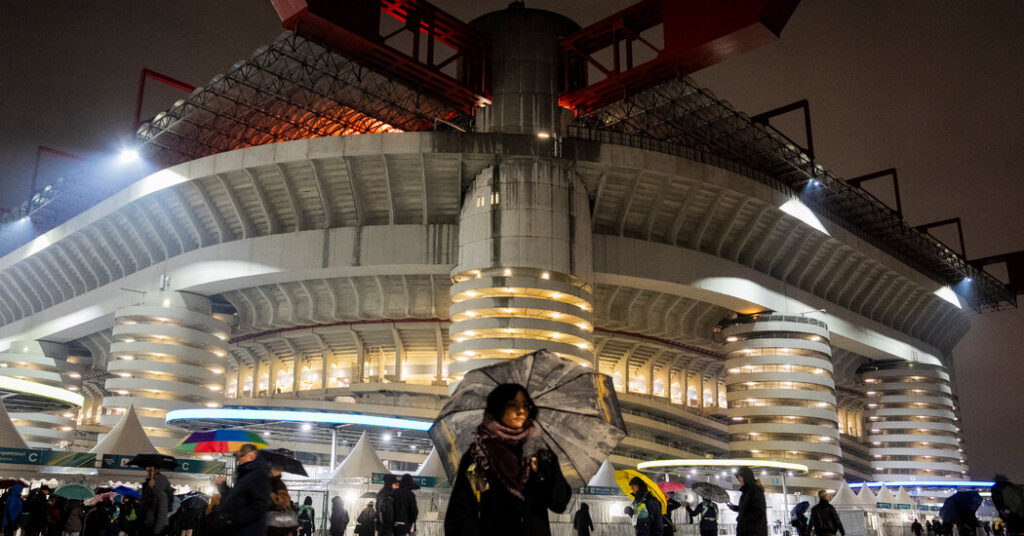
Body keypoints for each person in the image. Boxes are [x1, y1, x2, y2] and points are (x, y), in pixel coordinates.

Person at [445, 383, 572, 536]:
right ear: (498, 408)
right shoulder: (480, 457)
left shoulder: (541, 453)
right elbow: (466, 508)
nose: (521, 411)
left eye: (526, 405)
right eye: (513, 405)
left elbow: (559, 503)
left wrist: (542, 472)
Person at [216, 443, 271, 536]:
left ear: (251, 456)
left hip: (249, 530)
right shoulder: (245, 474)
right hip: (239, 529)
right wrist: (222, 486)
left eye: (240, 456)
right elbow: (235, 499)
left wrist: (235, 519)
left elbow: (260, 505)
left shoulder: (258, 475)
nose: (238, 460)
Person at [727, 467, 767, 536]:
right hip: (745, 531)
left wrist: (742, 520)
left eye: (740, 477)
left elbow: (758, 512)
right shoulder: (746, 492)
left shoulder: (755, 491)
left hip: (753, 532)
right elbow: (747, 508)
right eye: (738, 478)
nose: (739, 479)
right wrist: (734, 507)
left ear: (746, 478)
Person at [267, 464, 297, 536]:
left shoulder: (278, 484)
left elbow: (281, 501)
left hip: (275, 527)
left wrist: (268, 493)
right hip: (274, 527)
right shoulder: (271, 483)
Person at [144, 465, 172, 536]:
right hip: (149, 521)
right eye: (148, 470)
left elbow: (161, 511)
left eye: (150, 470)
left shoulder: (161, 492)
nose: (148, 472)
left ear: (156, 470)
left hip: (154, 523)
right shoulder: (148, 484)